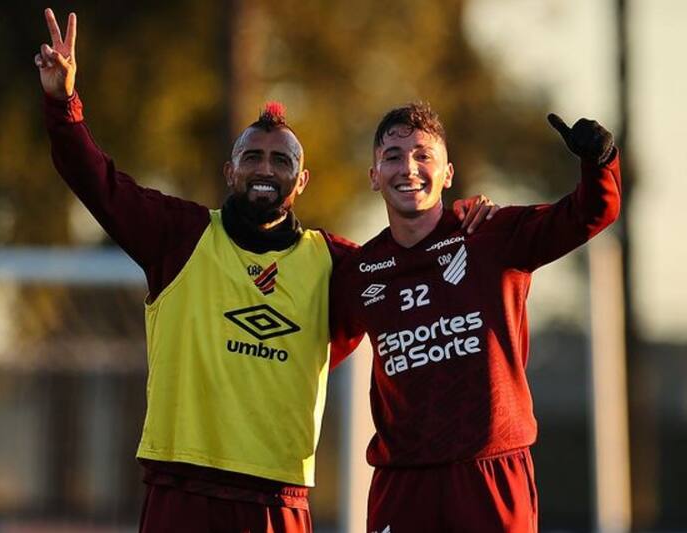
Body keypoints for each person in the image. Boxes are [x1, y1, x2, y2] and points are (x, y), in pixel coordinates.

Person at [35, 9, 495, 532]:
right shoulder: (180, 237)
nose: (265, 168)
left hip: (278, 500)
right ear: (230, 171)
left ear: (301, 181)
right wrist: (61, 102)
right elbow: (97, 181)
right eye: (252, 157)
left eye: (281, 161)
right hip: (180, 490)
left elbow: (409, 265)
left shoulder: (337, 263)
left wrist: (458, 220)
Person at [330, 102, 621, 532]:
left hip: (489, 475)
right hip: (404, 484)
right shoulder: (357, 272)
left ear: (448, 173)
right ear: (374, 176)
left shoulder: (490, 235)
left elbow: (589, 213)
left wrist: (600, 162)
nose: (408, 168)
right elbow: (314, 352)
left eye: (423, 155)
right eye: (392, 156)